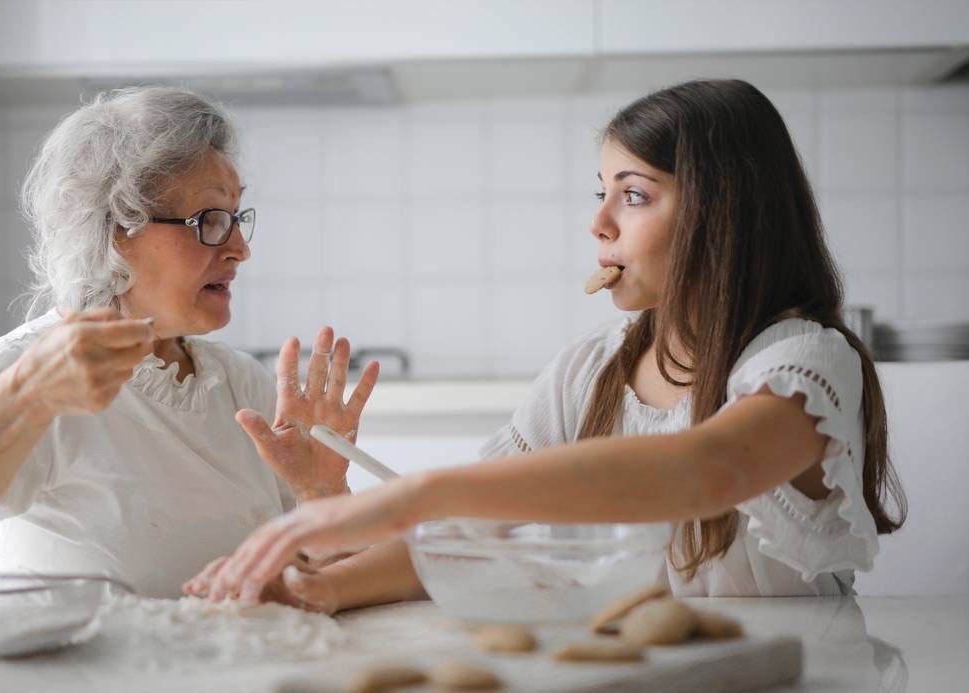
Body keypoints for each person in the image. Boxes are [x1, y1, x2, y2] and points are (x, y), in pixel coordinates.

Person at [186, 79, 907, 609]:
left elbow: (709, 468)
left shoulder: (803, 363)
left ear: (723, 212)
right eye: (600, 191)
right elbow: (472, 534)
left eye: (632, 193)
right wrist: (324, 582)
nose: (598, 222)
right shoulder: (588, 371)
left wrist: (419, 490)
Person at [0, 87, 377, 598]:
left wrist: (322, 493)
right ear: (114, 230)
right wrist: (23, 400)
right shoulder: (18, 371)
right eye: (210, 221)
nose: (241, 248)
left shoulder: (241, 385)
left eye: (237, 218)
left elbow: (316, 586)